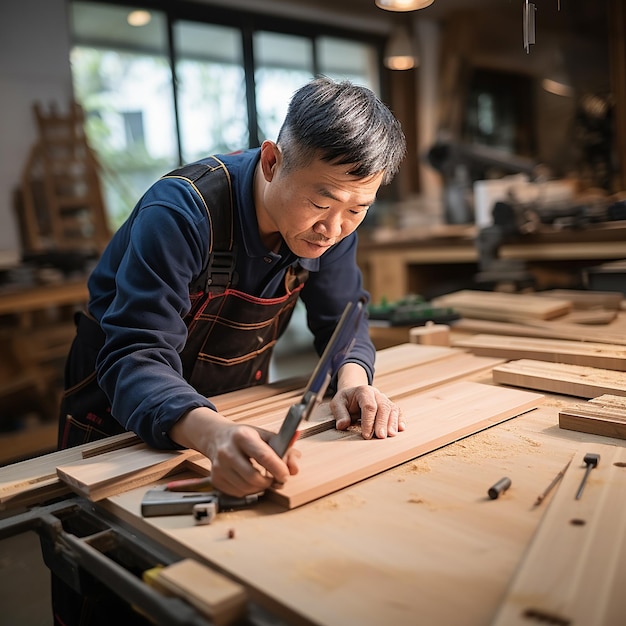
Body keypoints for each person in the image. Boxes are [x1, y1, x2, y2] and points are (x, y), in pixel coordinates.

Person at [58, 75, 407, 495]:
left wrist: (353, 383)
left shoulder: (332, 225)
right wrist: (213, 434)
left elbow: (342, 321)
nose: (332, 229)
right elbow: (136, 353)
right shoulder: (180, 212)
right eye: (320, 203)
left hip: (230, 409)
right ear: (272, 162)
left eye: (357, 209)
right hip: (118, 419)